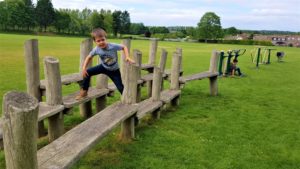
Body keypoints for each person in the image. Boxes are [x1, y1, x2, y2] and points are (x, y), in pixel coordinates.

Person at [76, 28, 135, 100]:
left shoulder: (112, 46)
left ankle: (128, 99)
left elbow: (124, 47)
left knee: (120, 87)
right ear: (95, 42)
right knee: (87, 72)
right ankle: (84, 92)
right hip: (103, 67)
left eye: (103, 40)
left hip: (114, 71)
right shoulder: (96, 49)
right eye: (98, 41)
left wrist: (127, 57)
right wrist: (84, 68)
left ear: (106, 39)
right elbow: (89, 57)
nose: (101, 42)